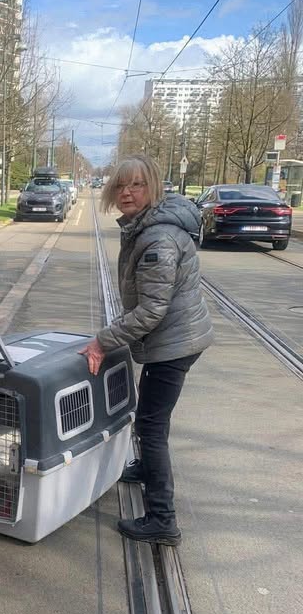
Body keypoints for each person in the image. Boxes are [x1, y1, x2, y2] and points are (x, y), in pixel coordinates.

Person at [79, 155, 214, 546]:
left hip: (172, 344)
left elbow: (152, 310)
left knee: (150, 428)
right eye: (120, 185)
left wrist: (103, 340)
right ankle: (143, 471)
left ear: (152, 187)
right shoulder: (146, 226)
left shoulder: (157, 239)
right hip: (176, 338)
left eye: (136, 184)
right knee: (154, 419)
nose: (126, 192)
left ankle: (162, 520)